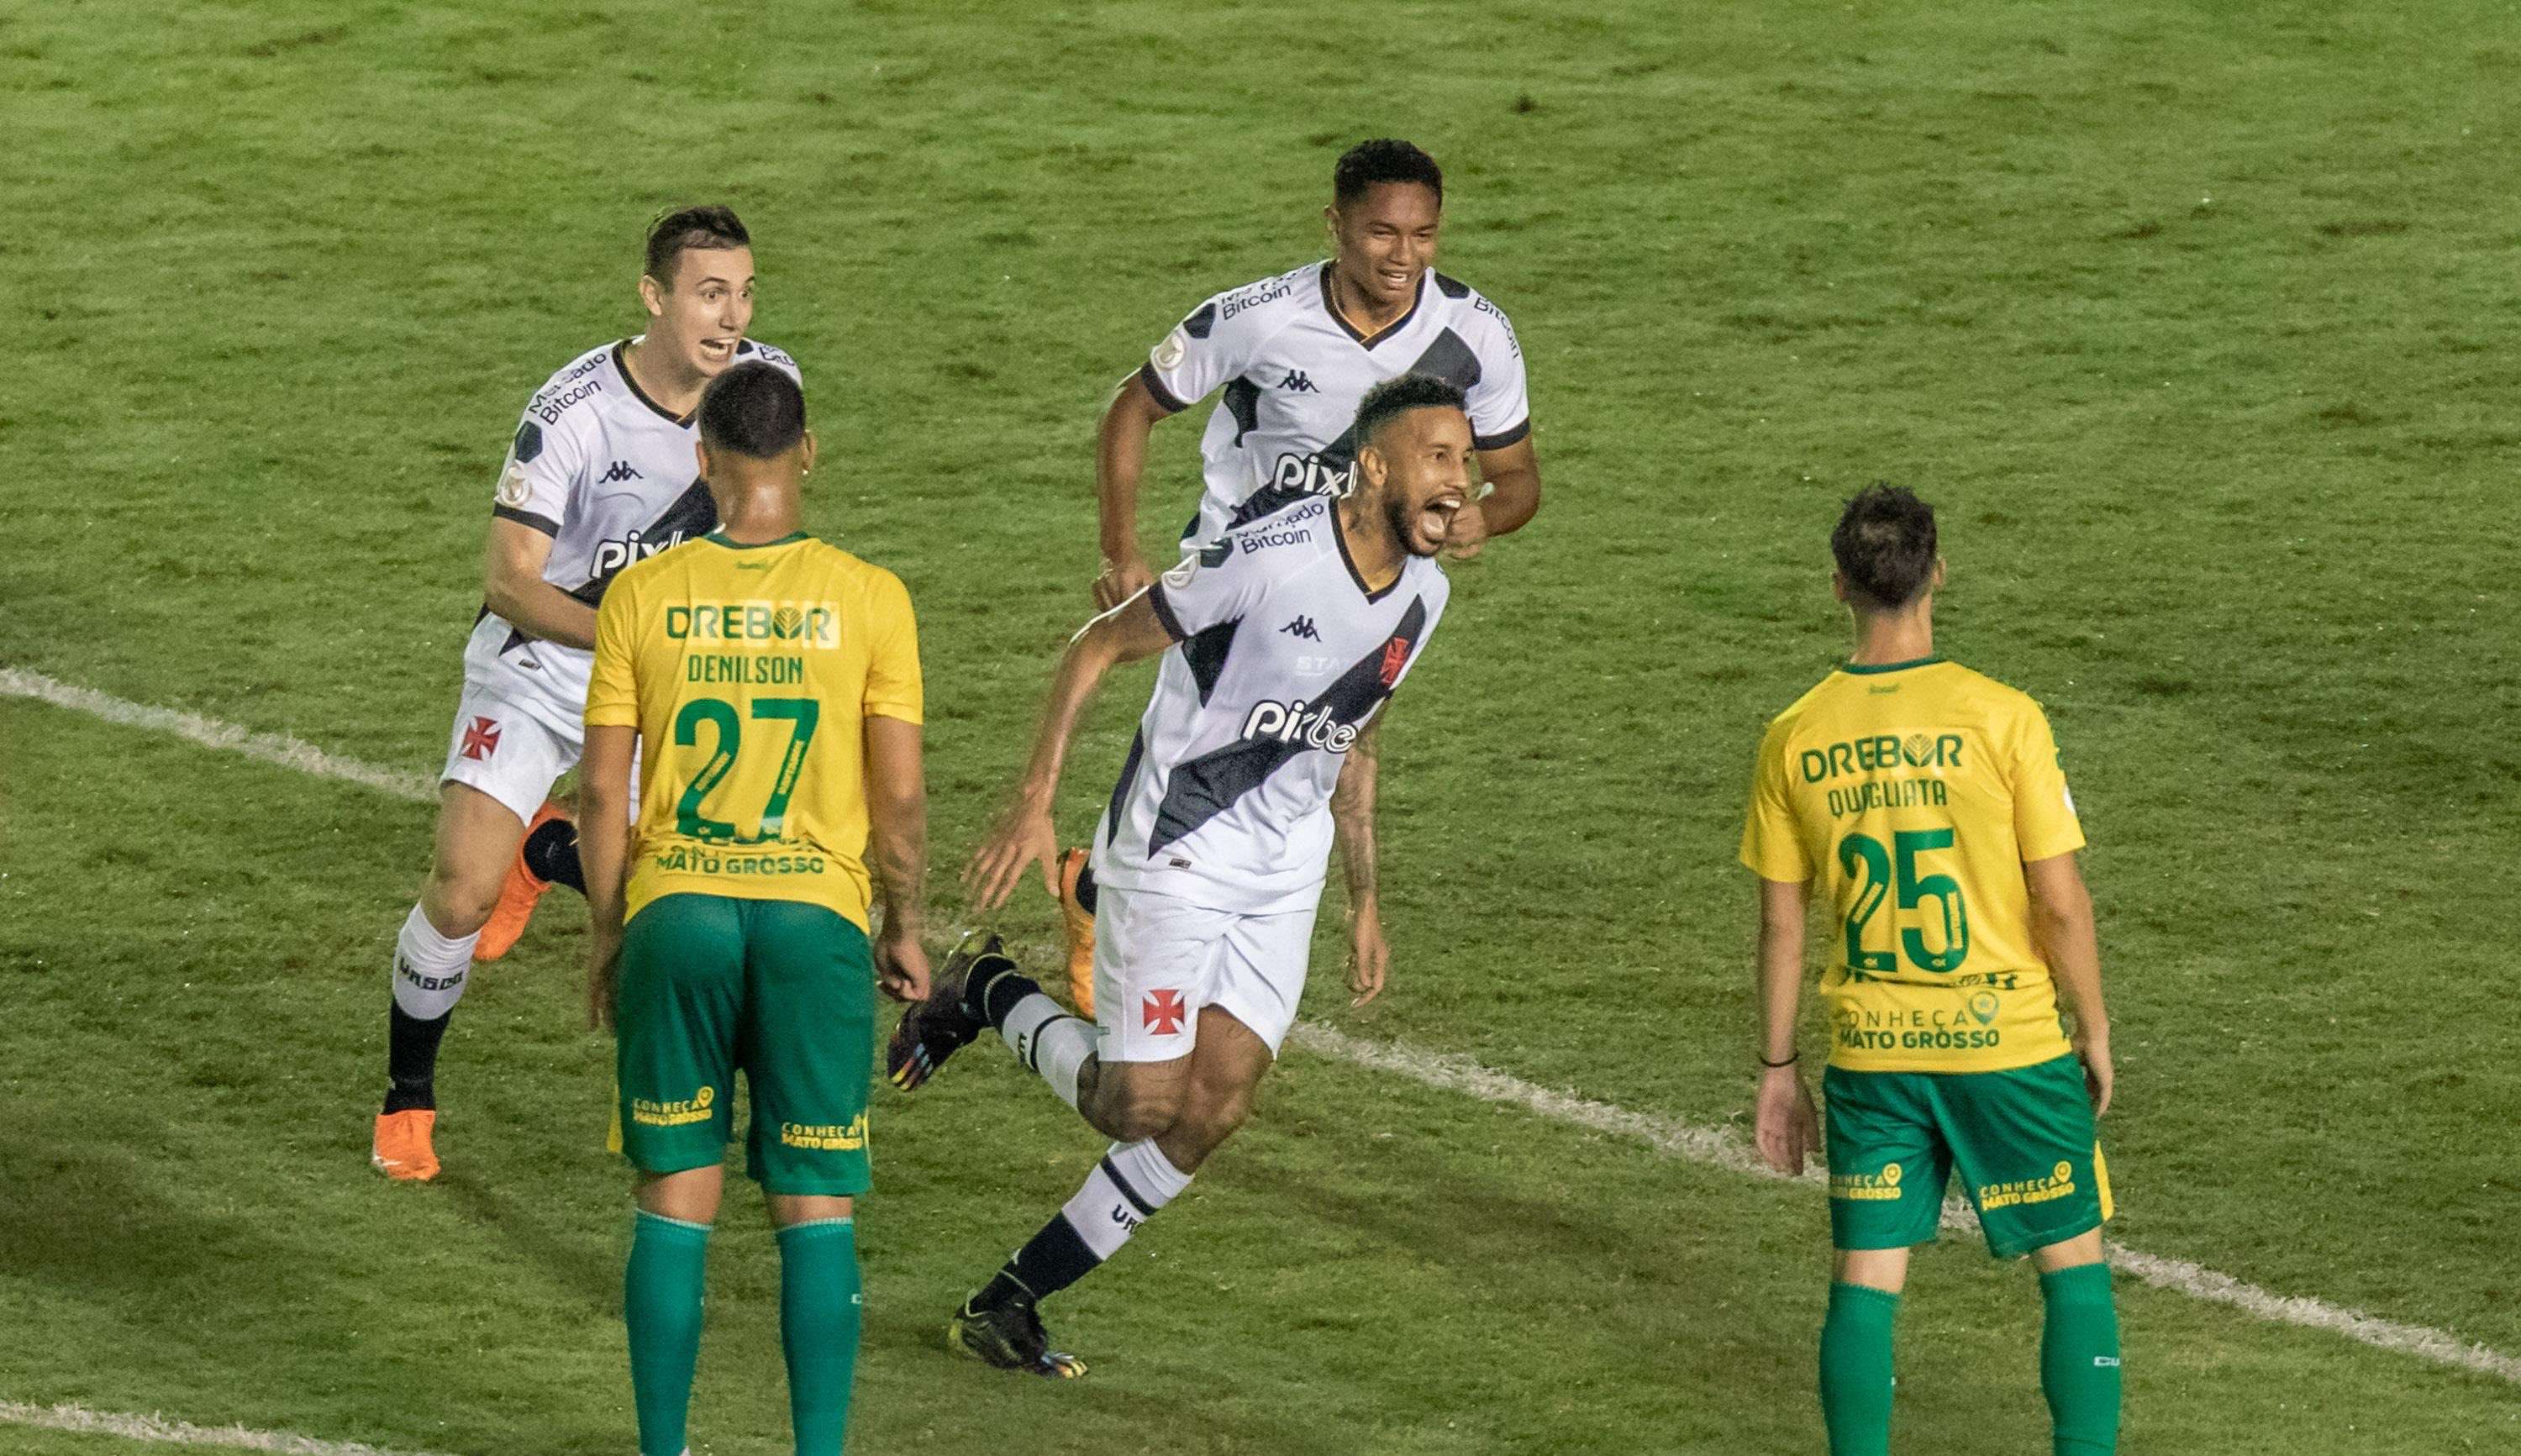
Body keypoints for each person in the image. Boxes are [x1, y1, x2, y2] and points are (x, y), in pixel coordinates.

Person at [887, 374, 1472, 1376]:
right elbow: (1097, 648)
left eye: (1464, 460)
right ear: (1374, 465)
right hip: (1179, 848)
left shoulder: (1427, 591)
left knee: (1213, 1111)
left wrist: (1365, 898)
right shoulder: (1269, 556)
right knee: (1136, 1107)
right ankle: (985, 988)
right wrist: (1036, 795)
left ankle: (1010, 1297)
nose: (1461, 483)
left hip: (1286, 871)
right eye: (1438, 457)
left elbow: (1356, 730)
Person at [1051, 136, 1542, 1016]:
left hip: (1374, 577)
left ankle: (1164, 907)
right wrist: (1118, 548)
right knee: (1198, 736)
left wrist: (1481, 515)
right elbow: (1134, 406)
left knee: (1320, 745)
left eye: (1424, 235)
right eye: (1382, 234)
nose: (1404, 257)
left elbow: (1521, 480)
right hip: (1243, 576)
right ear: (1336, 226)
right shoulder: (1262, 316)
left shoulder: (1477, 336)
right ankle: (1111, 905)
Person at [373, 206, 799, 1181]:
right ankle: (407, 1097)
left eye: (742, 292)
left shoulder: (765, 386)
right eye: (708, 292)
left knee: (674, 889)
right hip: (546, 660)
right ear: (654, 298)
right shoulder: (570, 413)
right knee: (461, 890)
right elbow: (511, 581)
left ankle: (554, 851)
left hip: (667, 669)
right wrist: (635, 632)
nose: (730, 316)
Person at [582, 360, 929, 1456]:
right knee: (816, 1201)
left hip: (676, 910)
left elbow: (601, 788)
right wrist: (904, 922)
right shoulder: (872, 597)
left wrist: (606, 930)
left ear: (703, 460)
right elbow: (902, 794)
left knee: (674, 1192)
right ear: (807, 452)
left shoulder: (641, 596)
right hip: (812, 919)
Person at [1740, 484, 2121, 1455]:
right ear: (1937, 571)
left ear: (1839, 586)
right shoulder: (2005, 718)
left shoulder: (1795, 735)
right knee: (2071, 1265)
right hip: (2010, 1044)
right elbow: (2061, 899)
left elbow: (1782, 924)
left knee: (1865, 1280)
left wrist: (1779, 1070)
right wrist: (2095, 1025)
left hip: (1874, 1050)